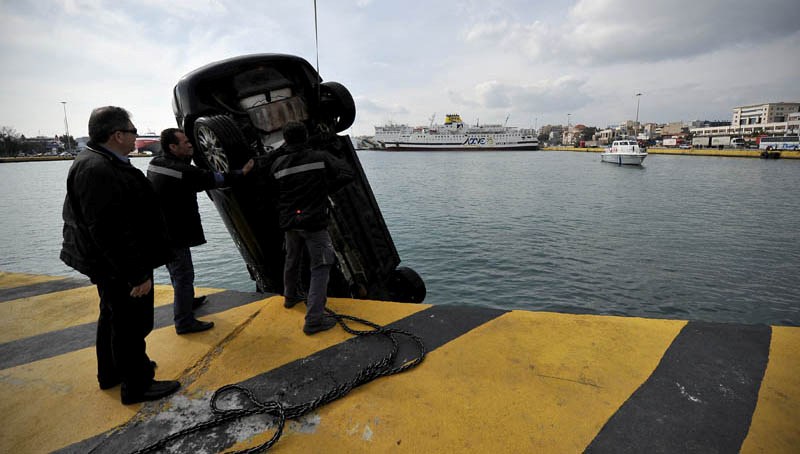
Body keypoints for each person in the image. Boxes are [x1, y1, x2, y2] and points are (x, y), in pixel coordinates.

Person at [60, 106, 179, 405]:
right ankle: (137, 385)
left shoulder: (97, 162)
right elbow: (109, 229)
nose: (136, 136)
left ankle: (113, 372)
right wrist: (136, 274)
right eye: (133, 132)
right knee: (130, 324)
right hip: (119, 265)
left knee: (113, 317)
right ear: (117, 135)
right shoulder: (98, 169)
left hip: (110, 262)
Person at [147, 128, 254, 334]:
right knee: (184, 275)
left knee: (176, 273)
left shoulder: (157, 163)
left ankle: (187, 302)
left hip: (161, 228)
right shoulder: (184, 172)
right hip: (174, 233)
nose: (190, 145)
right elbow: (216, 179)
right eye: (185, 142)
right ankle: (184, 322)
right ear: (172, 147)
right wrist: (243, 172)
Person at [269, 121, 354, 334]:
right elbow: (347, 172)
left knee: (292, 259)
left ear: (285, 139)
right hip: (314, 221)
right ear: (305, 135)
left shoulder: (277, 164)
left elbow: (271, 190)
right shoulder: (319, 157)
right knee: (321, 266)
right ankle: (314, 320)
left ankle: (289, 297)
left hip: (290, 221)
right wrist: (324, 188)